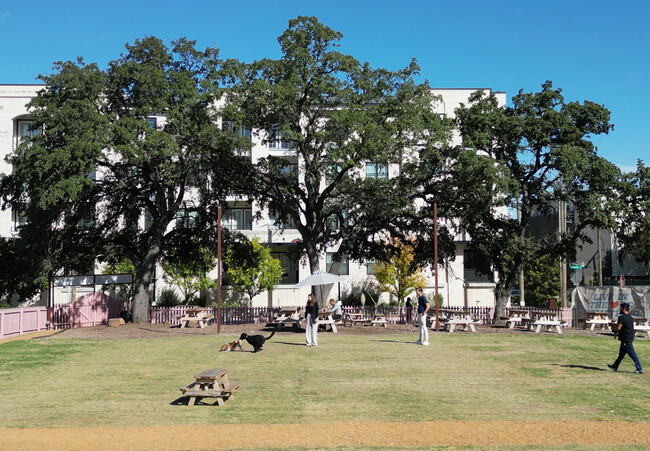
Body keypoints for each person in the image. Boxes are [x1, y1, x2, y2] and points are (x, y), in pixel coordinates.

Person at [608, 302, 643, 374]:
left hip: (626, 339)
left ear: (624, 308)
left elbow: (618, 328)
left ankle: (639, 369)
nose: (620, 309)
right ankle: (615, 366)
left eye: (621, 308)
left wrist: (613, 329)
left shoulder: (622, 317)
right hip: (629, 336)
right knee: (621, 354)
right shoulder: (630, 317)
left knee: (632, 354)